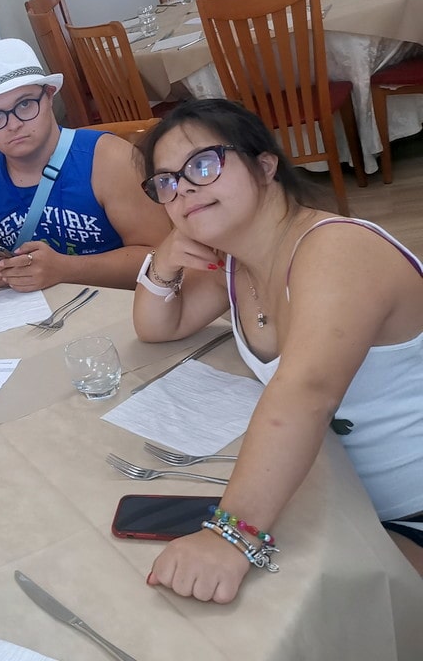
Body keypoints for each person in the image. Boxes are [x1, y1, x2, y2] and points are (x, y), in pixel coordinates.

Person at [132, 98, 423, 604]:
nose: (184, 189)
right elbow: (160, 326)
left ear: (265, 165)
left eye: (203, 164)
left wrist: (232, 534)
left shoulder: (335, 249)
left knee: (298, 612)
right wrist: (164, 260)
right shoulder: (235, 262)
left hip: (407, 510)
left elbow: (305, 395)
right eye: (167, 182)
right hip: (335, 494)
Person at [0, 39, 170, 291]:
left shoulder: (111, 159)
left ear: (49, 95)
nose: (13, 125)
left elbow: (162, 257)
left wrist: (66, 269)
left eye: (25, 104)